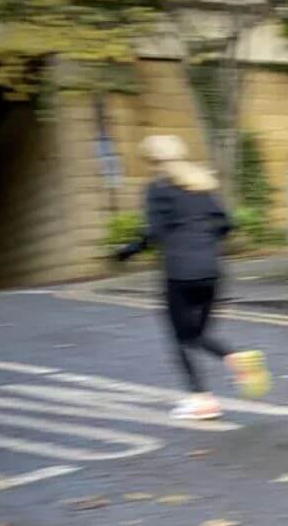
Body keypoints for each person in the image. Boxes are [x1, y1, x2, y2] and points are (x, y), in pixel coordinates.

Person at [114, 135, 269, 420]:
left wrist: (127, 252)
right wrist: (206, 243)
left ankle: (201, 400)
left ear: (153, 161)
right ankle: (236, 360)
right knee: (196, 335)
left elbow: (155, 232)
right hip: (212, 271)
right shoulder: (201, 184)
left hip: (180, 274)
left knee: (181, 338)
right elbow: (227, 223)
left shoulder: (158, 188)